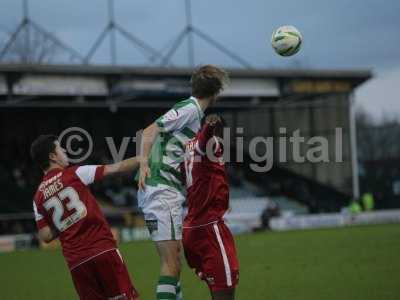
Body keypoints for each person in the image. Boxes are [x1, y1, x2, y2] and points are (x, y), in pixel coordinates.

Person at [137, 65, 229, 300]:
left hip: (165, 189)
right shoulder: (189, 109)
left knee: (175, 259)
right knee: (171, 263)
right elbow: (149, 130)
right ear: (217, 93)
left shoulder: (195, 116)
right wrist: (143, 162)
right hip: (161, 189)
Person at [31, 134, 140, 300]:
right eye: (60, 148)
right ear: (52, 157)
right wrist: (144, 158)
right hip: (102, 250)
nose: (65, 150)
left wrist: (67, 221)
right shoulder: (75, 174)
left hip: (77, 263)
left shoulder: (37, 197)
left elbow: (45, 236)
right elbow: (116, 168)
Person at [182, 115, 239, 300]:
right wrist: (209, 128)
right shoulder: (211, 141)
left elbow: (184, 171)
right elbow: (203, 145)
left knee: (216, 288)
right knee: (225, 289)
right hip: (208, 227)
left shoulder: (187, 147)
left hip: (192, 228)